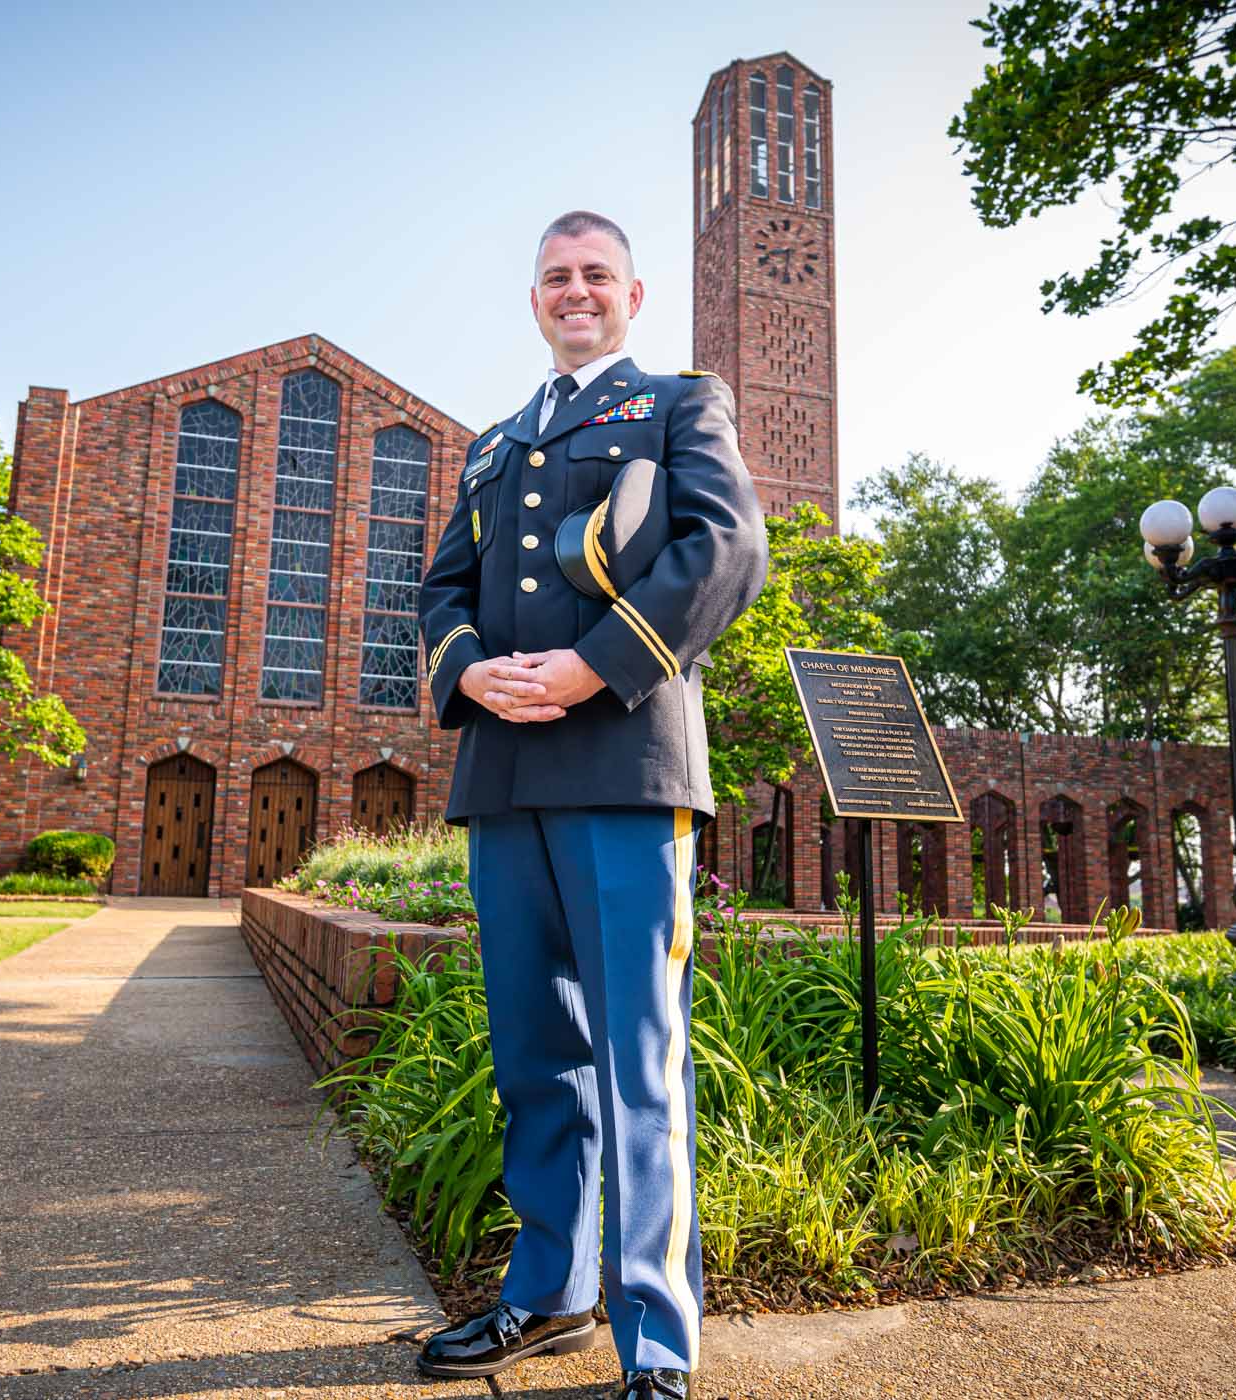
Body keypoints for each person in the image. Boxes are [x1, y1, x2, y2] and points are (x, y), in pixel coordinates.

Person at [413, 211, 768, 1400]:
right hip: (505, 778)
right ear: (534, 299)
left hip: (624, 765)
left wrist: (592, 663)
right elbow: (446, 586)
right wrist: (467, 667)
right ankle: (550, 1293)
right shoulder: (494, 442)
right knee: (535, 1054)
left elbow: (727, 548)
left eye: (596, 276)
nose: (577, 293)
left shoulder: (677, 404)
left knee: (638, 1057)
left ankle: (658, 1340)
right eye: (557, 278)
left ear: (633, 293)